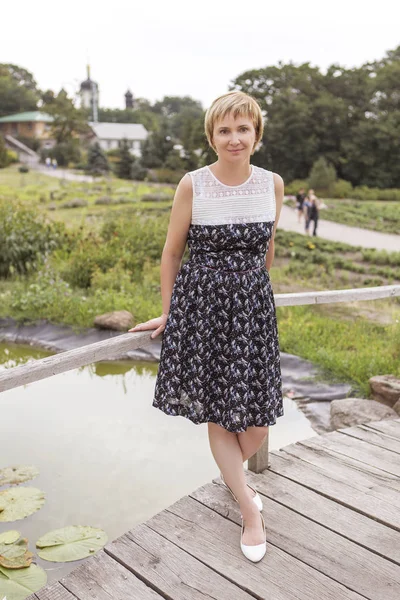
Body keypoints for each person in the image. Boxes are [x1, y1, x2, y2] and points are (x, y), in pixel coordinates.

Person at [129, 91, 284, 563]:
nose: (234, 138)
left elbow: (268, 246)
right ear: (212, 137)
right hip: (204, 309)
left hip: (253, 309)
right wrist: (171, 310)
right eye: (224, 130)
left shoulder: (273, 184)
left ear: (256, 134)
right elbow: (172, 253)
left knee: (257, 422)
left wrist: (256, 297)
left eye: (243, 129)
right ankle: (249, 511)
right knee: (220, 412)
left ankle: (235, 478)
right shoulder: (194, 184)